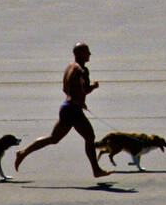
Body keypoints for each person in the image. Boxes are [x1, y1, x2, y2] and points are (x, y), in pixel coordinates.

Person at [15, 42, 110, 178]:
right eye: (87, 52)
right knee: (90, 137)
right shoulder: (82, 70)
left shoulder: (69, 67)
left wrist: (78, 100)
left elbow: (66, 89)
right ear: (80, 54)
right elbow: (85, 89)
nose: (89, 54)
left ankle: (23, 152)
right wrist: (94, 86)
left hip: (67, 107)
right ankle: (96, 170)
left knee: (54, 139)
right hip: (73, 110)